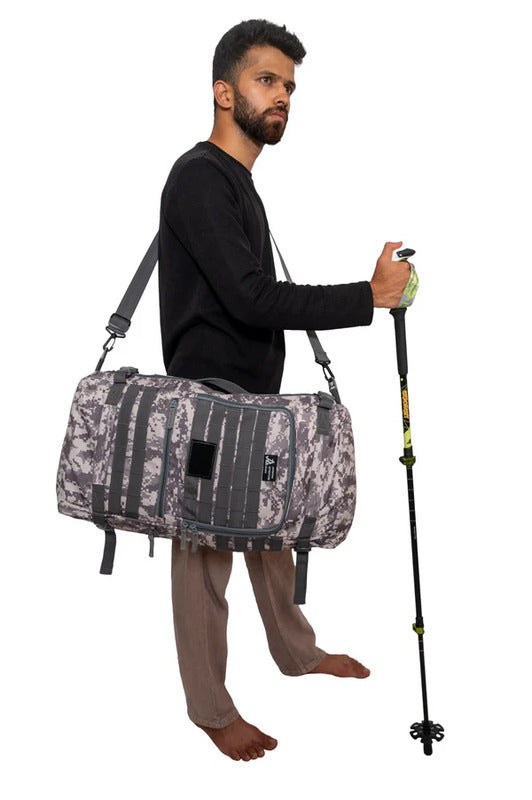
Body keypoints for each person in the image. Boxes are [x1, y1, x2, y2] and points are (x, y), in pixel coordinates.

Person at [157, 18, 411, 762]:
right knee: (205, 554)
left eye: (290, 87)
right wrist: (368, 296)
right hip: (208, 403)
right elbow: (250, 298)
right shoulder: (199, 176)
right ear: (223, 91)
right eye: (267, 80)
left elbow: (250, 296)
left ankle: (296, 652)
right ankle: (210, 709)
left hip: (251, 401)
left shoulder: (236, 182)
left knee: (272, 526)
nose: (283, 97)